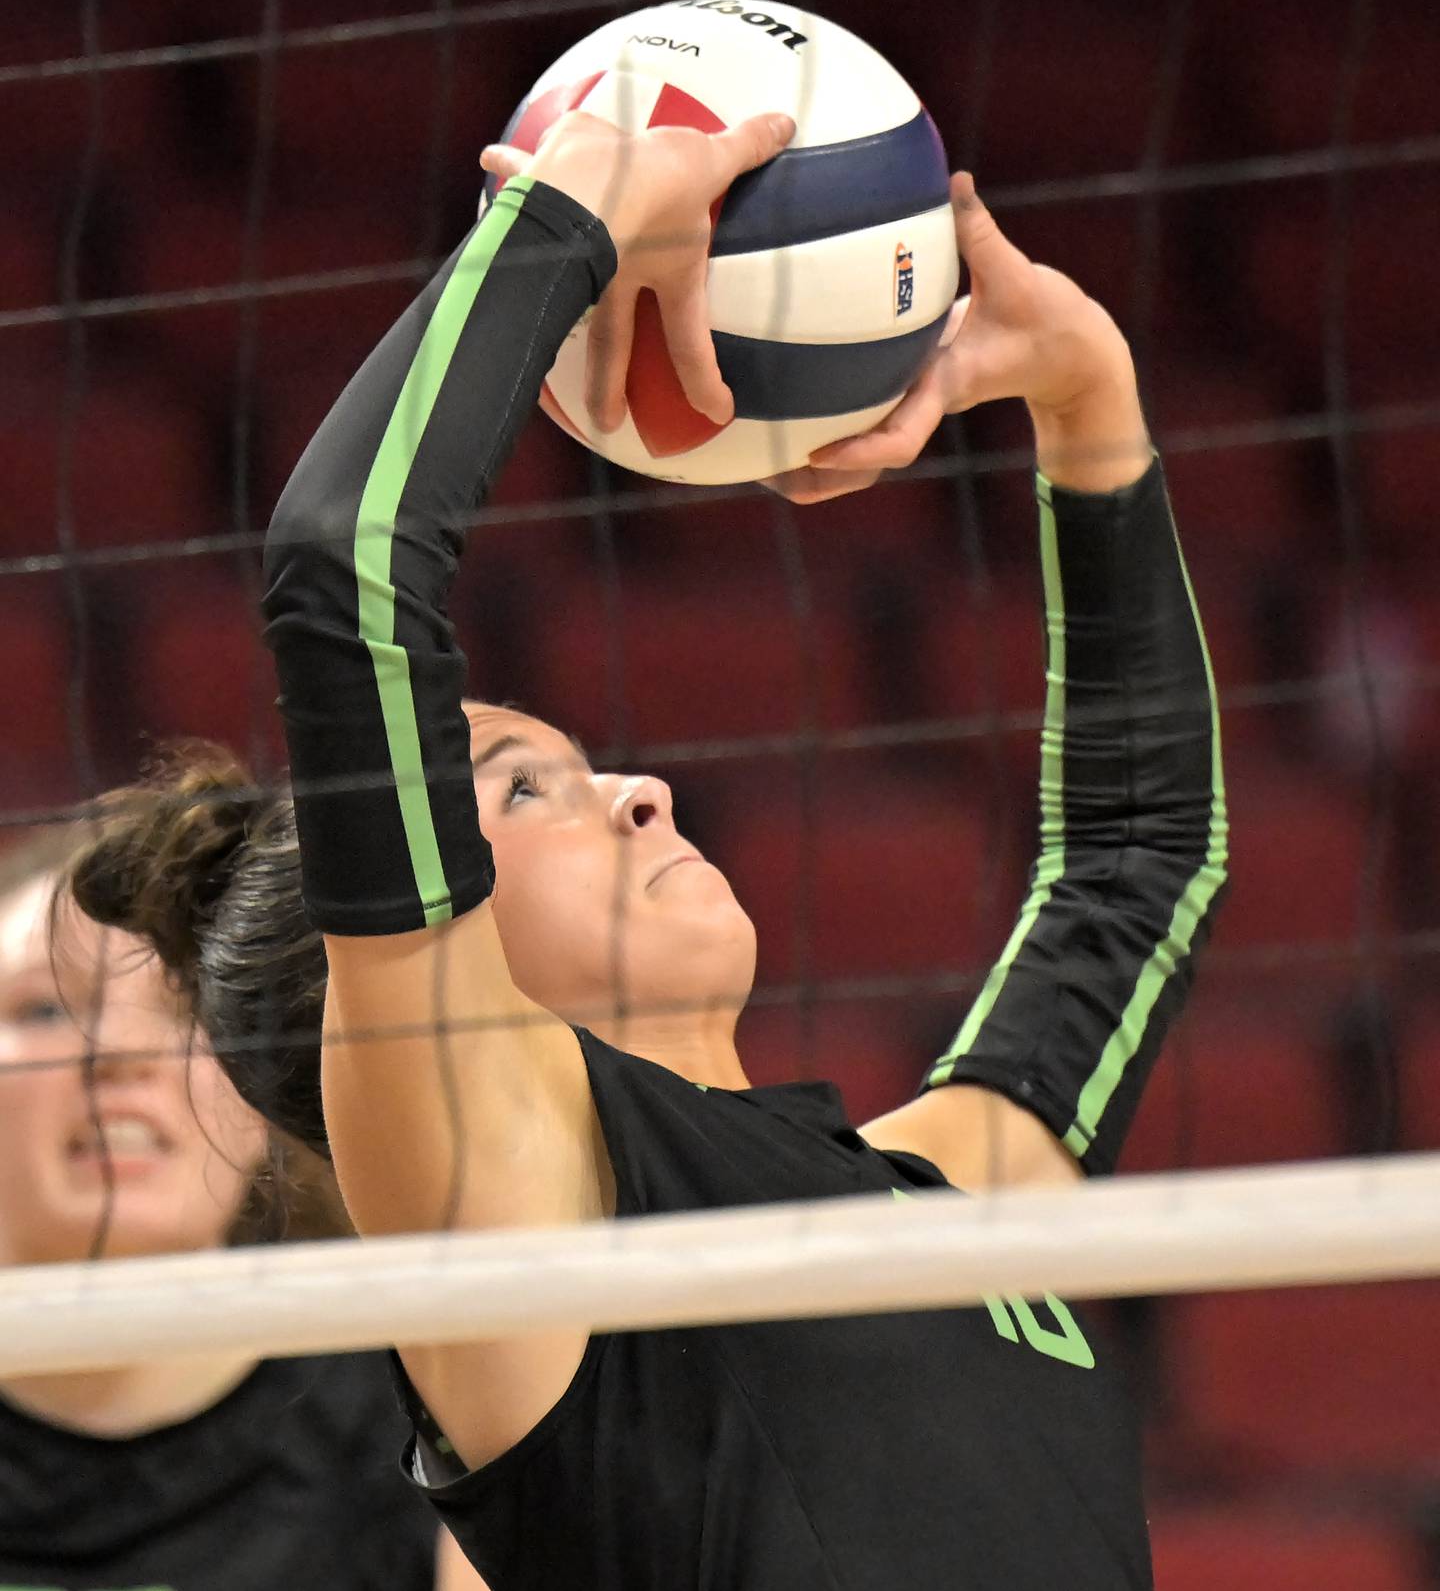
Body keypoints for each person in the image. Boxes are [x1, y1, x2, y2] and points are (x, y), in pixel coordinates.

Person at [72, 109, 1226, 1589]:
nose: (642, 792)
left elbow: (1138, 862)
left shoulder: (936, 1199)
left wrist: (1087, 404)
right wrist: (570, 214)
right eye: (525, 789)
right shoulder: (508, 1201)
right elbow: (347, 568)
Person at [0, 826, 484, 1589]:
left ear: (263, 1102)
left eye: (191, 1008)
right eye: (44, 1010)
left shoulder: (436, 1408)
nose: (122, 1052)